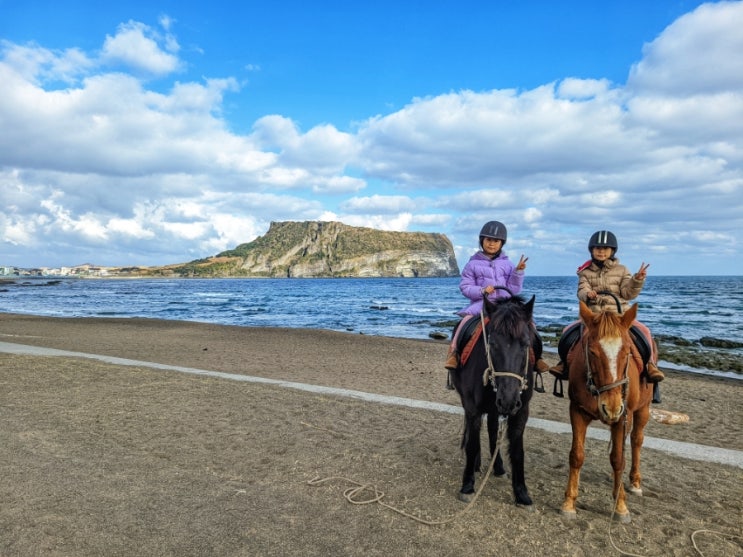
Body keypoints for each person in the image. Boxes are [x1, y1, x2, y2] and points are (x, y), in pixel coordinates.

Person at [548, 230, 664, 383]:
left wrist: (637, 280)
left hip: (618, 318)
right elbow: (582, 289)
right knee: (567, 331)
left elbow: (628, 293)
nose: (601, 252)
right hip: (594, 318)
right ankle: (564, 364)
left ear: (612, 251)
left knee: (645, 331)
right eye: (597, 248)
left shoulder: (622, 270)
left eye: (605, 249)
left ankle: (649, 365)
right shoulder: (585, 272)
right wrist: (587, 294)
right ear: (592, 251)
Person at [444, 221, 549, 384]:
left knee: (530, 325)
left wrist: (518, 272)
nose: (492, 243)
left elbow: (514, 290)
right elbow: (465, 287)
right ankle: (454, 354)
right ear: (482, 241)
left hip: (506, 306)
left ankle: (537, 357)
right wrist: (482, 291)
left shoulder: (508, 264)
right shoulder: (472, 264)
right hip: (482, 305)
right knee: (464, 322)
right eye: (488, 240)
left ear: (501, 243)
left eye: (496, 241)